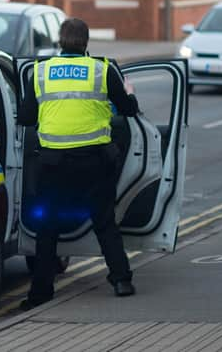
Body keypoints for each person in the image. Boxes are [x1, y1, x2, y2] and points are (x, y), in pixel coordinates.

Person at [18, 18, 139, 310]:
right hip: (94, 162)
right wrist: (129, 91)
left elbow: (26, 119)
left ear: (60, 41)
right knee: (104, 222)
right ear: (86, 42)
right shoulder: (102, 70)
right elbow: (129, 111)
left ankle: (41, 293)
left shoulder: (39, 71)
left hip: (52, 163)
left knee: (48, 228)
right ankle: (121, 280)